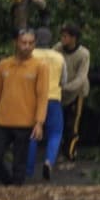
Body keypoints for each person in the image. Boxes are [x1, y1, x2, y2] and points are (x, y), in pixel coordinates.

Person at [0, 29, 48, 186]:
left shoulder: (40, 66)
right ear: (16, 43)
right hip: (2, 122)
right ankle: (9, 185)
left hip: (25, 124)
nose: (27, 46)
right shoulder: (4, 65)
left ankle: (16, 195)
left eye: (31, 43)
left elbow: (42, 96)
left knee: (19, 165)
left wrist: (39, 123)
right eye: (24, 42)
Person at [25, 27, 66, 181]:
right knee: (55, 133)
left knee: (32, 134)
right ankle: (49, 161)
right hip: (53, 98)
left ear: (35, 39)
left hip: (33, 99)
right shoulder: (58, 57)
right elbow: (64, 80)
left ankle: (28, 170)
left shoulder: (30, 56)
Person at [55, 24, 90, 160]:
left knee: (73, 123)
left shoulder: (83, 54)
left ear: (73, 38)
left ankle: (70, 153)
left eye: (65, 37)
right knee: (60, 122)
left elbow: (81, 78)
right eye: (62, 36)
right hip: (60, 93)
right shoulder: (58, 49)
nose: (62, 39)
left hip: (77, 93)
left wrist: (66, 87)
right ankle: (60, 150)